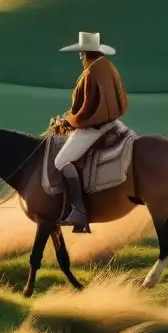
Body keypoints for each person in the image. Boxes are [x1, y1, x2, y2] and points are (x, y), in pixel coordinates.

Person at [53, 31, 129, 232]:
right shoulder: (108, 67)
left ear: (86, 53)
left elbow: (86, 109)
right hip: (114, 123)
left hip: (94, 126)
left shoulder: (90, 73)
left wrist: (67, 121)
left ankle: (79, 210)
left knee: (60, 161)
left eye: (81, 53)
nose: (80, 57)